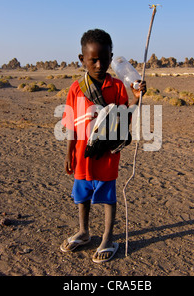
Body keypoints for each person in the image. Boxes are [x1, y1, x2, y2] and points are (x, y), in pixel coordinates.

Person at [60, 29, 146, 263]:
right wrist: (68, 153)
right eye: (93, 60)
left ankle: (108, 238)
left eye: (104, 59)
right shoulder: (76, 88)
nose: (99, 64)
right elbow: (70, 123)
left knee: (107, 195)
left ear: (111, 57)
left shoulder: (117, 86)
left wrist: (136, 98)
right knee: (82, 194)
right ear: (82, 60)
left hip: (107, 152)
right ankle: (84, 231)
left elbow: (126, 117)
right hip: (81, 153)